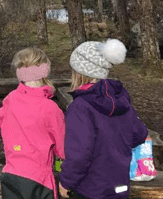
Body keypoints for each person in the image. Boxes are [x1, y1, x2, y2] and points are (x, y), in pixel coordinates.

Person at [58, 39, 149, 199]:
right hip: (119, 187)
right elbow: (140, 134)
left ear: (79, 72)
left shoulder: (80, 106)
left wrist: (66, 182)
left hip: (90, 189)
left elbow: (79, 154)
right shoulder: (120, 99)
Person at [0, 48, 65, 199]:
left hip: (11, 174)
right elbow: (63, 149)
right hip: (39, 179)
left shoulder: (10, 99)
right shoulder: (51, 108)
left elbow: (1, 121)